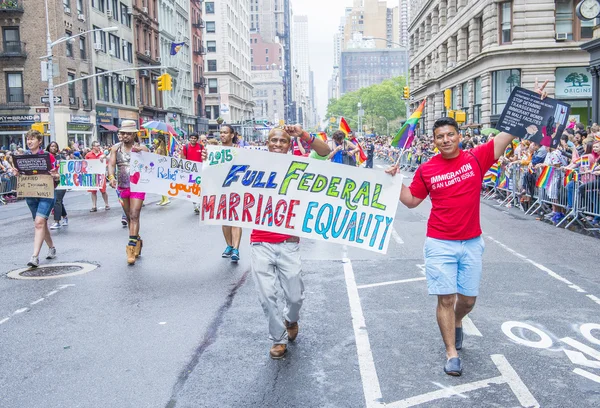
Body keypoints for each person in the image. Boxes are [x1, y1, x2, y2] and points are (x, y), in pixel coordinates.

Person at [386, 80, 549, 377]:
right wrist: (394, 183)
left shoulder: (477, 157)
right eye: (439, 137)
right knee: (445, 298)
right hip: (439, 242)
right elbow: (411, 202)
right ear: (434, 141)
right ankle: (451, 353)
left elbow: (509, 132)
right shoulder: (427, 169)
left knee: (468, 300)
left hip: (472, 243)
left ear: (459, 137)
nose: (445, 140)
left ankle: (458, 321)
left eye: (450, 135)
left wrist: (534, 104)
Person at [250, 124, 331, 359]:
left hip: (289, 241)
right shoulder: (254, 163)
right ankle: (278, 338)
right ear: (267, 143)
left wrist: (303, 135)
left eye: (282, 141)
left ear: (288, 145)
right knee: (266, 295)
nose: (277, 144)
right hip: (260, 241)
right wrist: (209, 158)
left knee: (295, 296)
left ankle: (291, 318)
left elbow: (325, 152)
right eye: (273, 140)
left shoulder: (300, 163)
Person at [13, 130, 59, 267]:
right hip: (31, 193)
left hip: (46, 193)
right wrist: (16, 173)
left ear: (39, 141)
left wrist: (55, 175)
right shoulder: (23, 157)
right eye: (28, 139)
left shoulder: (48, 156)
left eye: (32, 139)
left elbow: (58, 175)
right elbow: (20, 175)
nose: (29, 141)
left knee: (39, 222)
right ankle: (51, 247)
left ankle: (34, 256)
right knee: (41, 223)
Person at [107, 120, 149, 265]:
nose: (124, 136)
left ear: (134, 134)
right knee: (129, 216)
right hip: (122, 186)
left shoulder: (142, 148)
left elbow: (151, 164)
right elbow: (111, 165)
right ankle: (137, 240)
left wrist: (141, 153)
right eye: (122, 133)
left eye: (127, 133)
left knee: (134, 214)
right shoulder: (115, 149)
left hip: (138, 186)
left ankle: (130, 249)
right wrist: (111, 177)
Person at [219, 124, 242, 262]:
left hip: (237, 187)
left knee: (236, 219)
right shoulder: (214, 151)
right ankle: (229, 245)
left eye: (225, 132)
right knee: (225, 220)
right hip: (220, 189)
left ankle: (236, 249)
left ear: (232, 135)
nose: (222, 135)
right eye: (221, 132)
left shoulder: (239, 150)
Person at [181, 132, 205, 214]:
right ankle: (195, 205)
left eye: (195, 138)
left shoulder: (201, 147)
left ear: (197, 139)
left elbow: (204, 158)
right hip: (190, 172)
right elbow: (183, 159)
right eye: (191, 138)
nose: (193, 139)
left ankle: (199, 203)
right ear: (189, 139)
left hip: (200, 171)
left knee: (199, 187)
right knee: (192, 188)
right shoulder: (185, 147)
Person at [47, 142, 69, 230]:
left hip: (61, 181)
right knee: (58, 201)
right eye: (52, 146)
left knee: (57, 200)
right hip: (50, 182)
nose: (53, 148)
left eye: (55, 146)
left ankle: (57, 221)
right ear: (48, 147)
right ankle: (65, 217)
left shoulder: (61, 157)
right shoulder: (45, 157)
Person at [85, 141, 110, 212]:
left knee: (103, 191)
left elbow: (107, 163)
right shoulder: (88, 155)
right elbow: (85, 163)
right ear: (93, 147)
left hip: (101, 174)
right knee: (93, 191)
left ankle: (106, 204)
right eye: (97, 146)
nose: (98, 147)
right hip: (92, 175)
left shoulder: (102, 154)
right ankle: (94, 205)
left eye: (99, 145)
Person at [154, 134, 171, 206]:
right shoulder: (164, 147)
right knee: (161, 183)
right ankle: (163, 199)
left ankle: (166, 199)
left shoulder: (159, 149)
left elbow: (157, 157)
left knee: (161, 184)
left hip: (160, 167)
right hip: (163, 167)